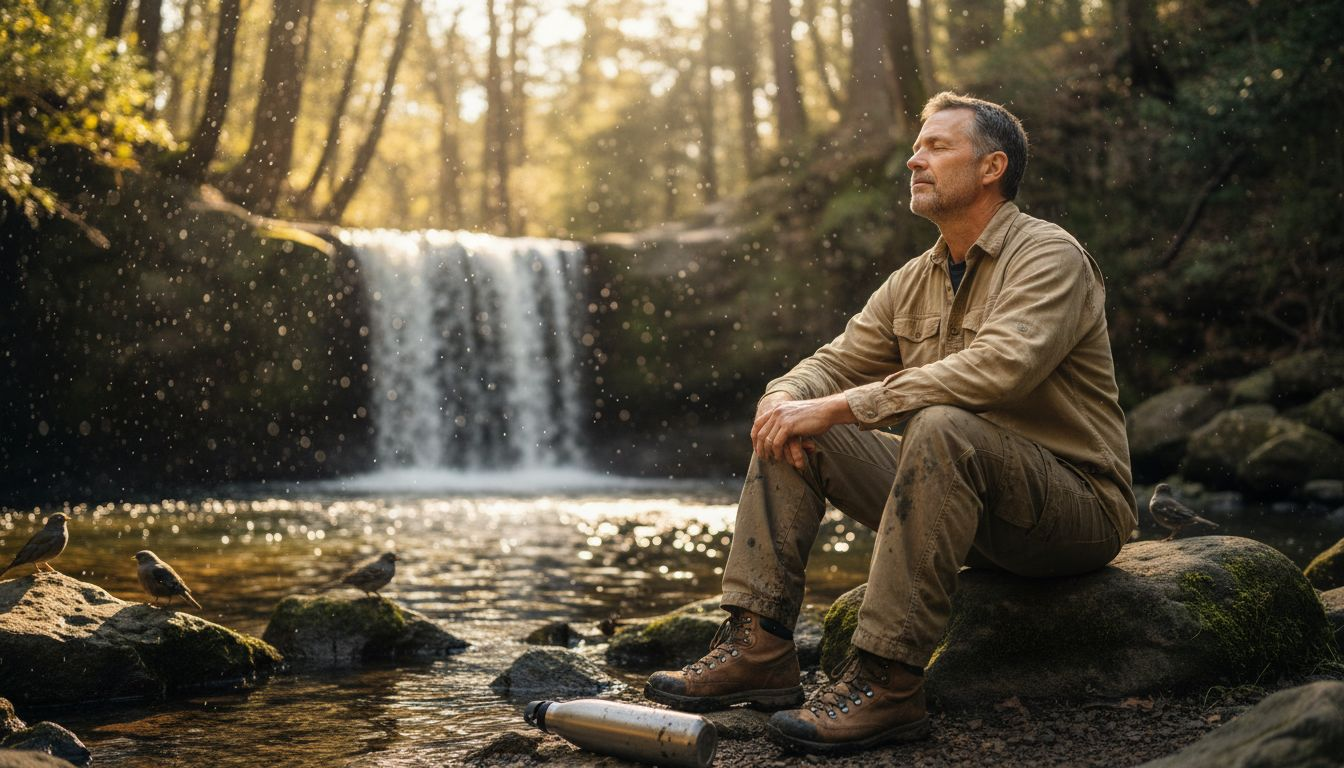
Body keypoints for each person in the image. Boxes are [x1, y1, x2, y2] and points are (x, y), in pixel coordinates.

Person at [644, 92, 1138, 755]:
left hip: (1073, 511)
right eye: (917, 146)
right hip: (964, 507)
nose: (914, 159)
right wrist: (784, 397)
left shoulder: (1049, 255)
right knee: (797, 424)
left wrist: (843, 404)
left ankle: (888, 679)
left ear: (992, 167)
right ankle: (757, 645)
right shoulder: (915, 278)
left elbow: (1001, 369)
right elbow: (833, 362)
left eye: (937, 147)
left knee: (937, 424)